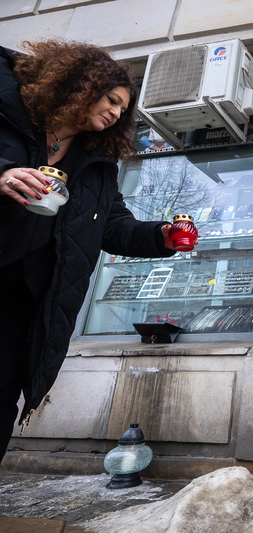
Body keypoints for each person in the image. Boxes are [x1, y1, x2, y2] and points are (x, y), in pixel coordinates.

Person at [0, 41, 182, 463]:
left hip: (24, 301)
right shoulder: (10, 114)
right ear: (82, 86)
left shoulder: (97, 161)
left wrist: (160, 237)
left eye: (123, 109)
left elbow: (111, 225)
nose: (117, 113)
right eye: (112, 100)